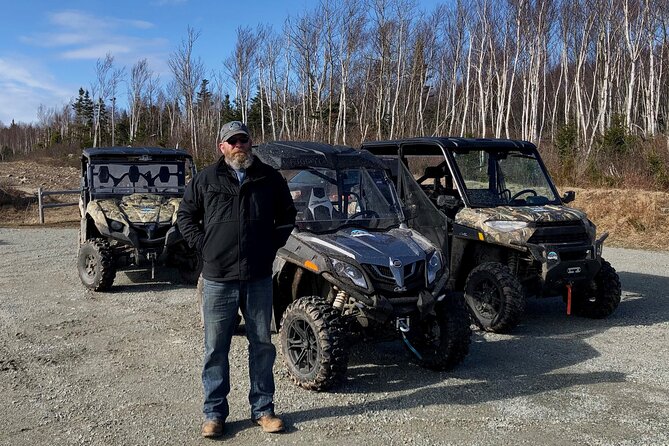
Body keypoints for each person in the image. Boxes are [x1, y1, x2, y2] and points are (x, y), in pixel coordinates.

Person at [177, 121, 296, 439]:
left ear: (250, 143)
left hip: (257, 277)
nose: (238, 145)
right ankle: (214, 414)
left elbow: (288, 216)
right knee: (216, 348)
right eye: (232, 141)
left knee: (262, 345)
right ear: (221, 146)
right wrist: (205, 247)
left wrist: (270, 246)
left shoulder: (268, 178)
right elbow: (185, 217)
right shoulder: (206, 178)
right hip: (218, 278)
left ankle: (264, 410)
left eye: (243, 139)